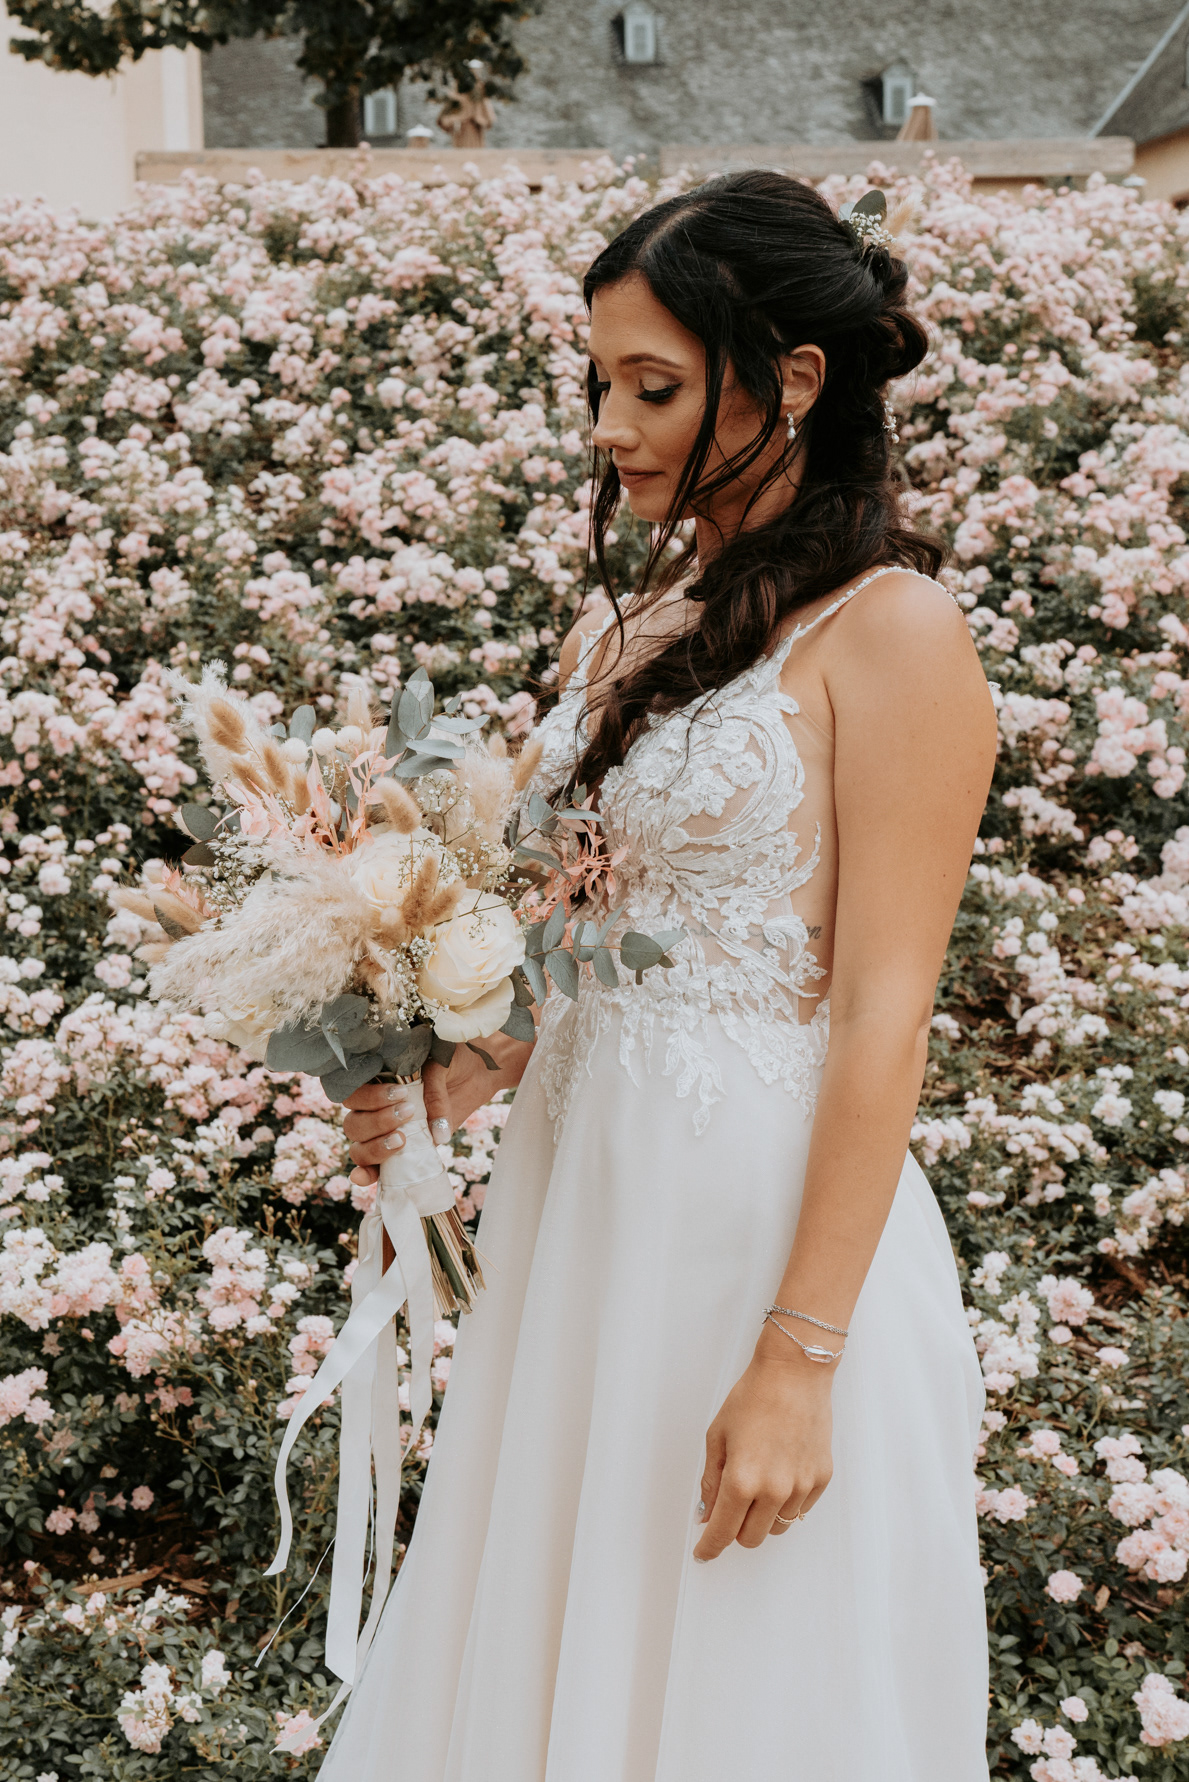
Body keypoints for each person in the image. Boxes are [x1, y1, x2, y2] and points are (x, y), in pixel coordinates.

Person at [318, 171, 997, 1781]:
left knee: (740, 1691)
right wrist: (449, 1074)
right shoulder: (631, 630)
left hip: (762, 1240)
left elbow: (882, 1013)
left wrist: (796, 1357)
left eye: (656, 386)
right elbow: (569, 956)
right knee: (559, 1648)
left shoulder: (892, 634)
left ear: (794, 380)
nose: (612, 426)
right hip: (584, 1227)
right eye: (600, 384)